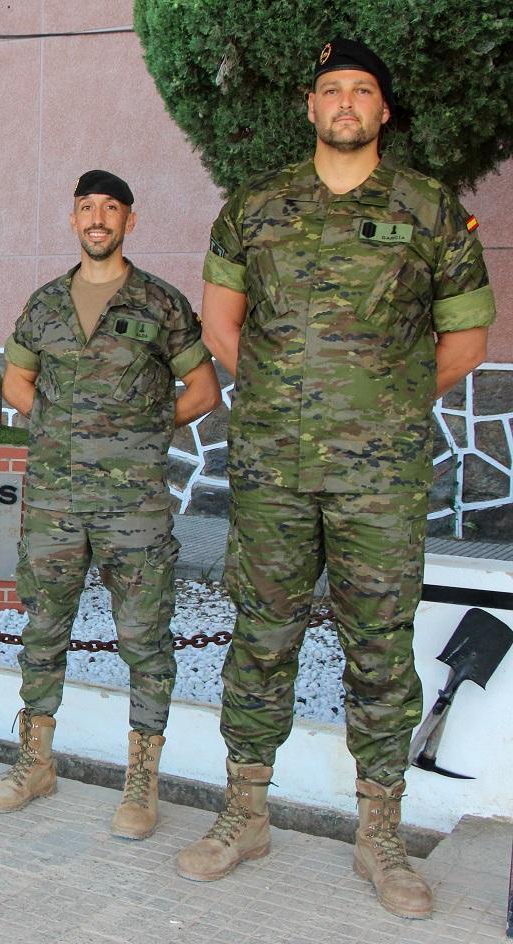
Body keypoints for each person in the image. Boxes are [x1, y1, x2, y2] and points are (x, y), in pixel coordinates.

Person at [177, 40, 495, 919]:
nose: (346, 102)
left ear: (383, 111)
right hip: (276, 468)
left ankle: (381, 838)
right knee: (260, 638)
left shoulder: (429, 210)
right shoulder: (259, 207)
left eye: (363, 91)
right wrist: (288, 403)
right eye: (331, 90)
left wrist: (385, 408)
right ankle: (245, 814)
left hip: (380, 478)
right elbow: (221, 323)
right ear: (310, 108)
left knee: (381, 648)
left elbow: (466, 340)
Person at [0, 172, 220, 833]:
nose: (97, 218)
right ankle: (35, 763)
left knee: (144, 640)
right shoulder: (46, 304)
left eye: (110, 209)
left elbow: (201, 389)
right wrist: (61, 430)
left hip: (132, 506)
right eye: (86, 207)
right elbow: (17, 380)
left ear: (128, 222)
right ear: (73, 218)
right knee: (43, 631)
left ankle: (141, 785)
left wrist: (139, 433)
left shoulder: (159, 303)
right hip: (55, 501)